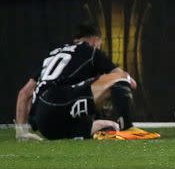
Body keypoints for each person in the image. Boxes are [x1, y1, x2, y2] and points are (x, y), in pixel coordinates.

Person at [15, 22, 160, 141]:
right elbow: (128, 80)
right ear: (95, 40)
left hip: (45, 125)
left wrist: (21, 131)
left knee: (111, 126)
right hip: (59, 101)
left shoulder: (53, 54)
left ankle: (90, 131)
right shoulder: (89, 51)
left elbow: (24, 93)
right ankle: (128, 128)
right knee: (120, 78)